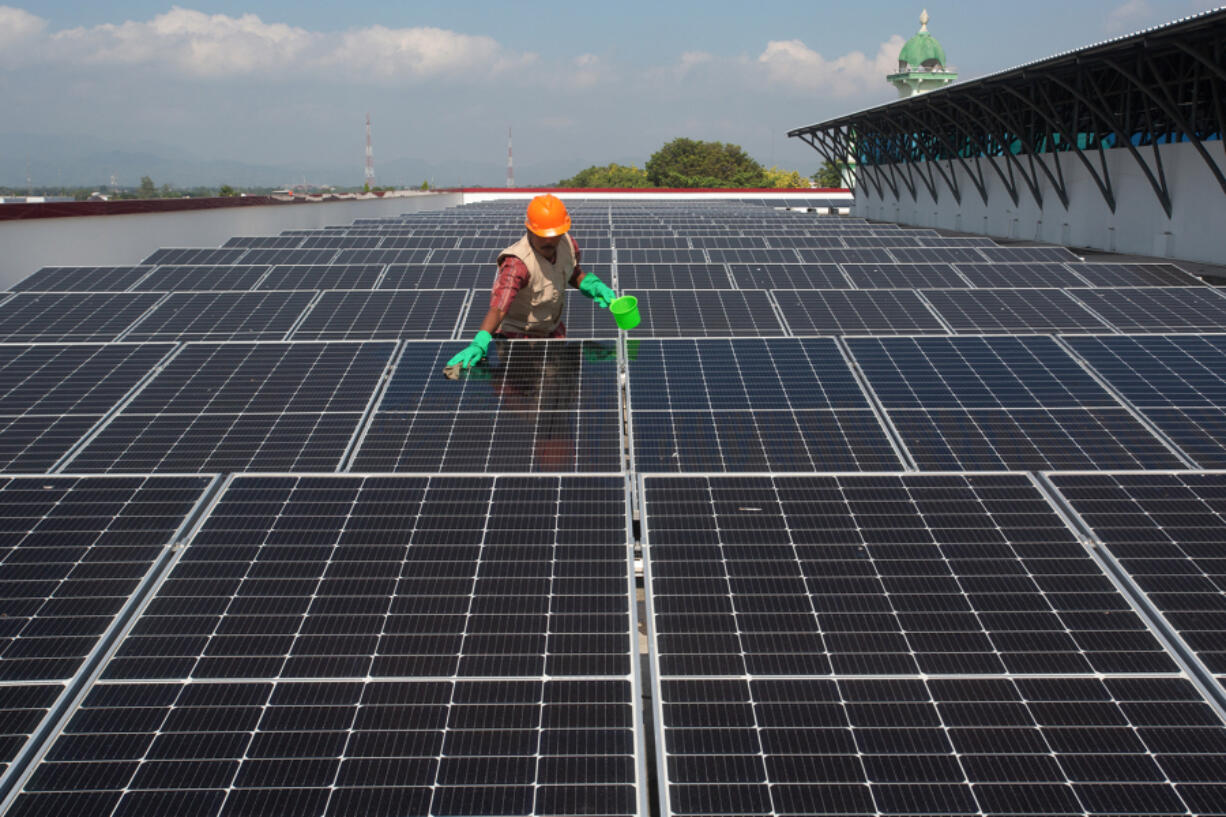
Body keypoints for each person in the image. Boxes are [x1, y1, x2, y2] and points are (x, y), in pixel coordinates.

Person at [446, 194, 616, 370]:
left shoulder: (568, 244)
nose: (549, 240)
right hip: (518, 339)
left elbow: (573, 273)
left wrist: (593, 285)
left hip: (551, 332)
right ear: (529, 230)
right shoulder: (517, 264)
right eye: (542, 235)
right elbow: (499, 307)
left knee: (558, 387)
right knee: (524, 392)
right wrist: (480, 341)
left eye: (554, 235)